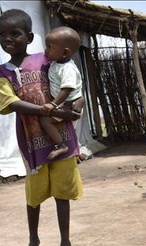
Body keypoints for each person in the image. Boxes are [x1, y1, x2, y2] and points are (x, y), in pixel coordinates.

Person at [0, 9, 83, 246]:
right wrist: (44, 109)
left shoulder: (47, 59)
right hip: (32, 141)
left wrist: (75, 107)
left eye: (15, 33)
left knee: (62, 193)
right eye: (2, 34)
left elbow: (72, 83)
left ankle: (66, 242)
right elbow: (10, 103)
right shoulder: (2, 72)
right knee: (34, 196)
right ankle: (34, 238)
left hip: (62, 138)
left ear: (30, 37)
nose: (8, 38)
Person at [39, 26, 84, 160]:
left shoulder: (67, 68)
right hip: (66, 102)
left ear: (64, 53)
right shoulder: (57, 62)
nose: (45, 50)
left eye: (49, 47)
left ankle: (61, 146)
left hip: (68, 105)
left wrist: (53, 104)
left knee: (45, 120)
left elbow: (67, 89)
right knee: (70, 129)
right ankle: (77, 151)